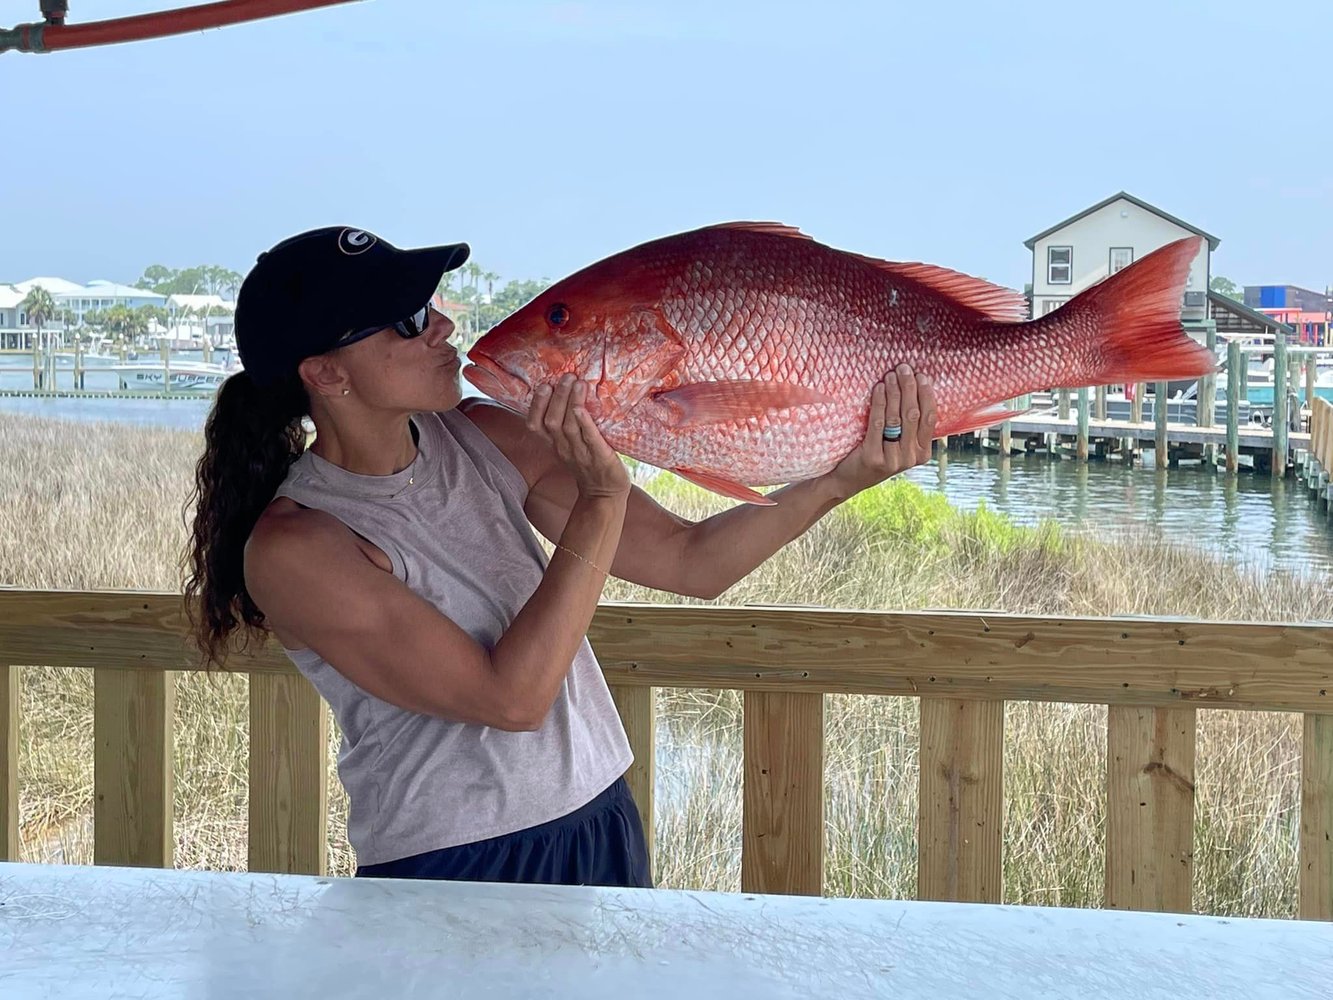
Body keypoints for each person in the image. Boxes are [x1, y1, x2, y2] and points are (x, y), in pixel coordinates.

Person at [182, 225, 939, 889]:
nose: (442, 325)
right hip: (453, 862)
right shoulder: (299, 545)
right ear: (326, 374)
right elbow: (509, 699)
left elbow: (690, 562)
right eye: (408, 321)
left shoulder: (487, 438)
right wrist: (601, 500)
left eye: (433, 305)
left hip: (597, 812)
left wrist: (838, 481)